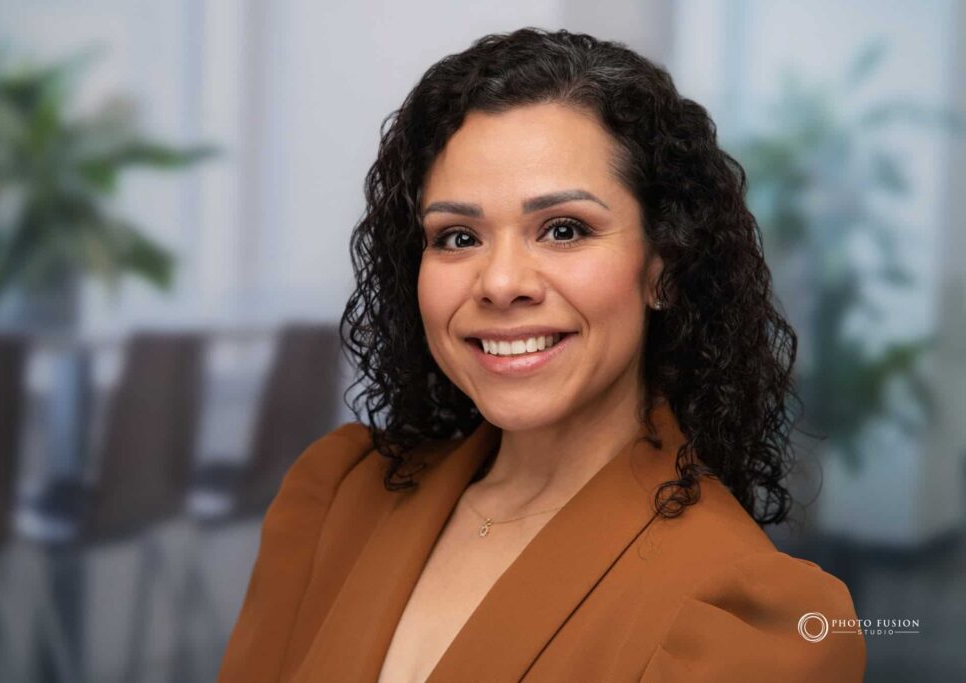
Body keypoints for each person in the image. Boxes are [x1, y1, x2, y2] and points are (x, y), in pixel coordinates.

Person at [217, 28, 866, 682]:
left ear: (663, 268)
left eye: (563, 229)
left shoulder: (746, 613)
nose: (500, 283)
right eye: (458, 236)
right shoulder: (336, 496)